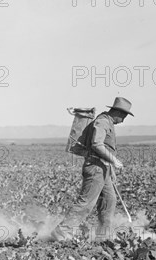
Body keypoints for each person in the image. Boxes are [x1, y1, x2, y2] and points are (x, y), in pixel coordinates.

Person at [52, 97, 134, 241]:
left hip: (103, 168)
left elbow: (106, 149)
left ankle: (104, 234)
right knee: (86, 202)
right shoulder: (102, 122)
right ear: (117, 112)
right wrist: (114, 160)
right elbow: (97, 145)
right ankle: (62, 231)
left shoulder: (108, 122)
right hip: (95, 167)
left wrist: (111, 171)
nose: (124, 120)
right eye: (124, 115)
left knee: (110, 199)